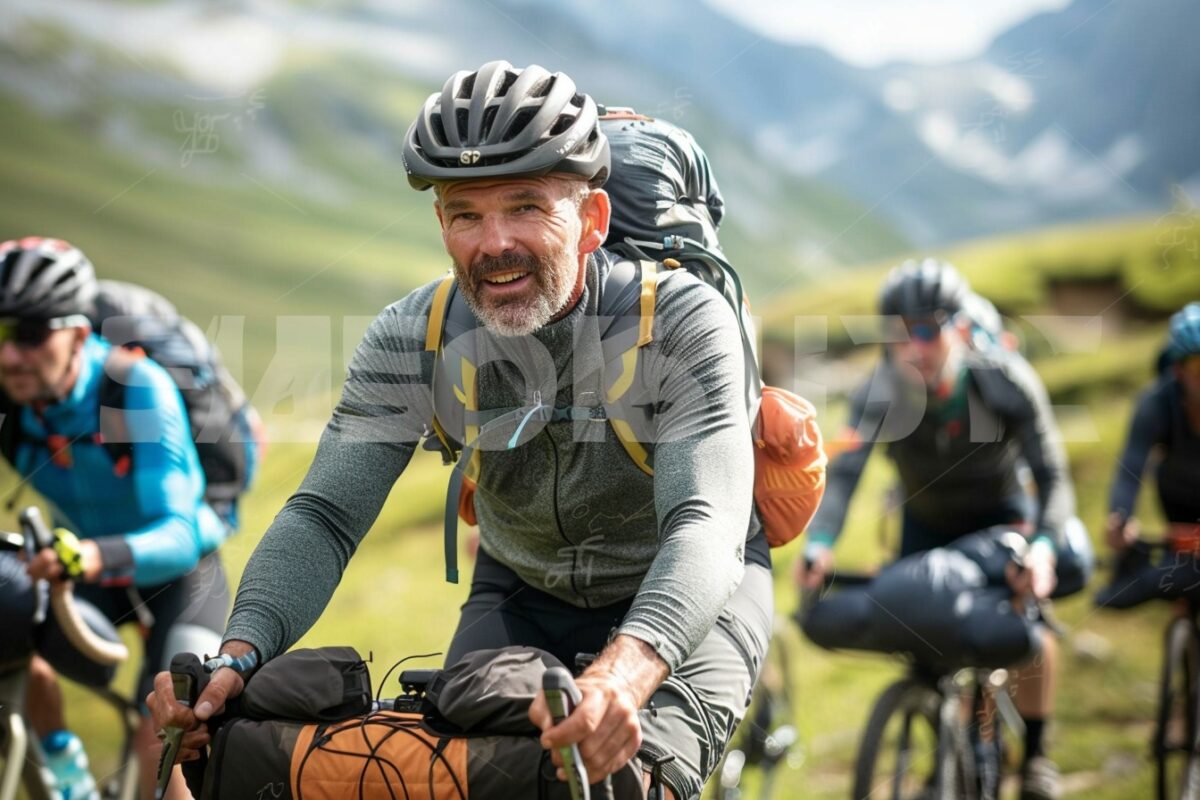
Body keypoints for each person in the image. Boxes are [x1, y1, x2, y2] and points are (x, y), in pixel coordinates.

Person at [147, 61, 772, 800]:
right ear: (441, 224)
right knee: (450, 780)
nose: (493, 243)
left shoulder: (678, 320)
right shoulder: (417, 335)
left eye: (526, 207)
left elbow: (705, 523)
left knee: (635, 786)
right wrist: (239, 655)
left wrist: (624, 672)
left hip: (691, 592)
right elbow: (324, 515)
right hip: (519, 587)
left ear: (593, 221)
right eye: (466, 213)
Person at [797, 258, 1075, 800]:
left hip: (1002, 520)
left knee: (1030, 631)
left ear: (961, 329)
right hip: (925, 526)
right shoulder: (879, 391)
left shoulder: (1004, 381)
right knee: (925, 643)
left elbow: (1053, 476)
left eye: (928, 331)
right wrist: (820, 544)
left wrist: (1042, 549)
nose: (914, 349)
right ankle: (941, 762)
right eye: (899, 334)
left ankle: (1036, 755)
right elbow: (844, 474)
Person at [0, 236, 230, 800]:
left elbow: (179, 534)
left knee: (172, 735)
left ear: (78, 334)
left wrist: (90, 555)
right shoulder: (10, 398)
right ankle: (62, 763)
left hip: (178, 572)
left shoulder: (133, 387)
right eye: (0, 335)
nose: (10, 356)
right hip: (85, 571)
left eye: (30, 335)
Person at [1105, 301, 1200, 555]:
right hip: (1179, 499)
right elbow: (1130, 469)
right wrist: (1120, 516)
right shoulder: (1154, 404)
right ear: (1178, 370)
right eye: (1198, 366)